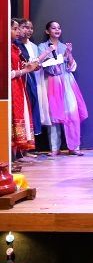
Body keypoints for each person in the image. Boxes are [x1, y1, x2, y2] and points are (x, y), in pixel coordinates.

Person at [38, 21, 88, 155]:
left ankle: (74, 147)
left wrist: (69, 54)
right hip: (52, 82)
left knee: (72, 113)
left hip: (67, 81)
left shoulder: (64, 46)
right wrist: (60, 57)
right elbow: (43, 64)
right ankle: (55, 148)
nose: (57, 30)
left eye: (59, 28)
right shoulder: (43, 47)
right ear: (47, 31)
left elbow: (71, 66)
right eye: (53, 28)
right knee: (54, 115)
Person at [10, 20, 39, 161]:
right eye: (15, 29)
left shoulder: (14, 47)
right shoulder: (5, 48)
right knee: (12, 118)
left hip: (18, 85)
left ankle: (16, 156)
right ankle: (11, 158)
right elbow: (8, 73)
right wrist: (25, 70)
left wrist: (29, 67)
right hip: (11, 86)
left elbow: (20, 66)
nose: (18, 32)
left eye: (17, 29)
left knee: (20, 116)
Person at [14, 18, 46, 138]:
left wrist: (36, 66)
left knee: (32, 107)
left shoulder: (33, 46)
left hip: (31, 79)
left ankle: (28, 140)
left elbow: (32, 63)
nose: (29, 30)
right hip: (20, 79)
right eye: (25, 27)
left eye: (31, 28)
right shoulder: (15, 45)